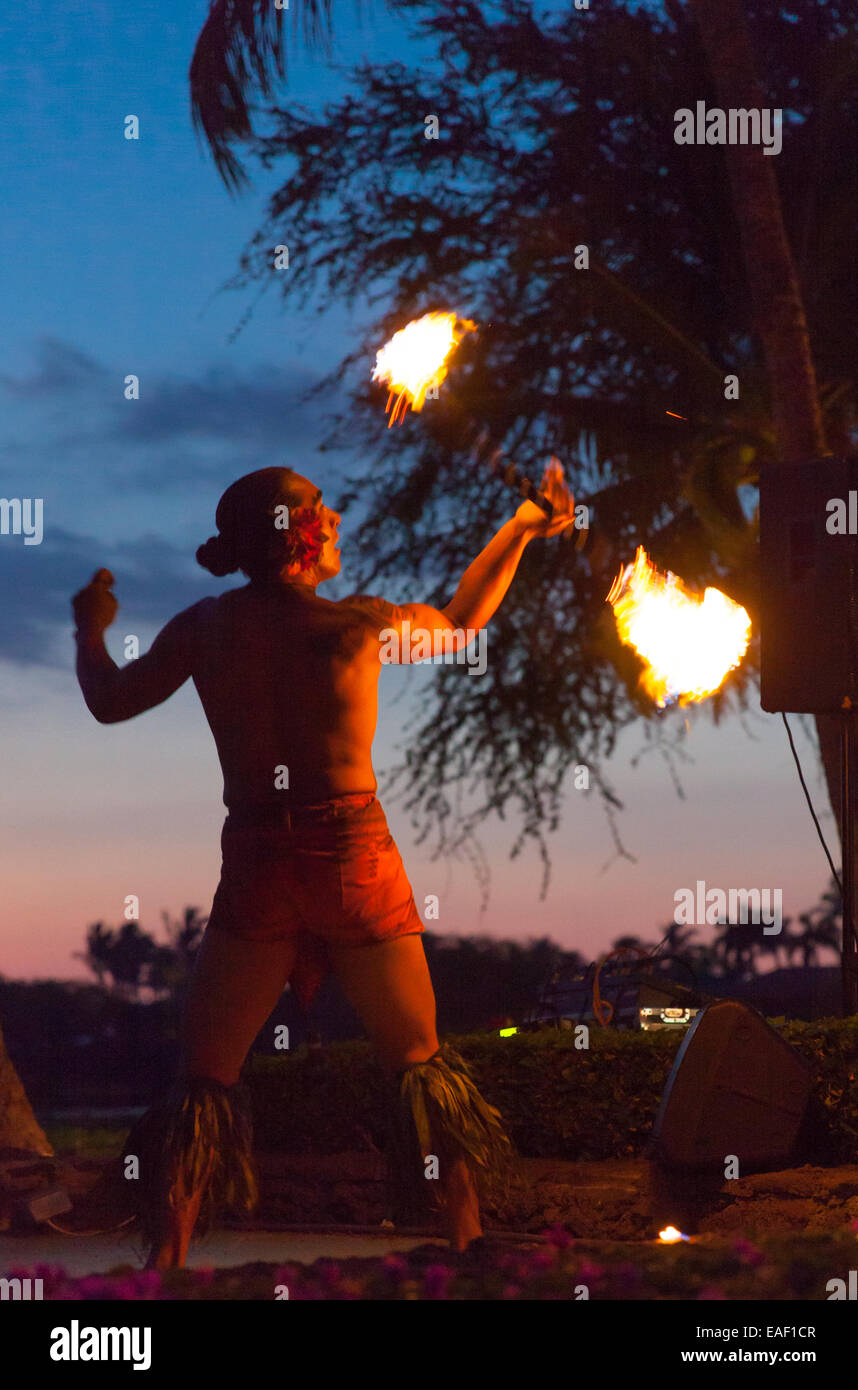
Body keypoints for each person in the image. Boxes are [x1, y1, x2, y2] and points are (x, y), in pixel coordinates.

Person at [71, 460, 576, 1268]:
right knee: (419, 1059)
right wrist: (521, 525)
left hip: (260, 862)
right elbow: (461, 621)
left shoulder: (205, 628)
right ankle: (467, 1241)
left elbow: (109, 700)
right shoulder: (359, 627)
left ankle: (164, 1267)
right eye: (317, 507)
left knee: (203, 1077)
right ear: (294, 533)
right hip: (353, 857)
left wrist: (89, 627)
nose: (336, 515)